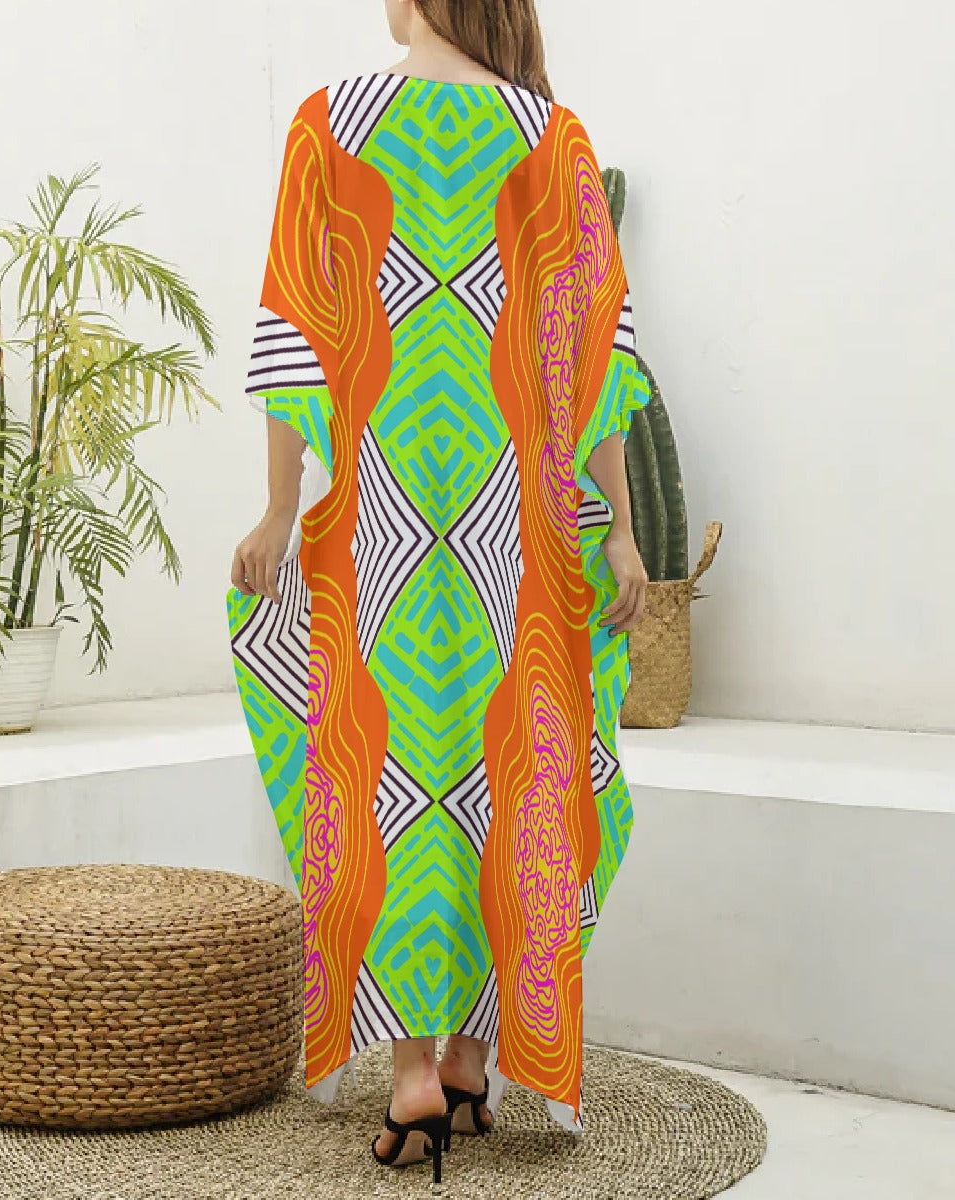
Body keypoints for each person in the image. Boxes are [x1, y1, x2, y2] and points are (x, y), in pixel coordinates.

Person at [227, 0, 650, 1184]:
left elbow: (295, 333)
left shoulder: (329, 125)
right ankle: (468, 1063)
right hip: (518, 533)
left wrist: (278, 508)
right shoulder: (554, 138)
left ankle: (416, 1074)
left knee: (390, 770)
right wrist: (620, 527)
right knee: (506, 770)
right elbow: (599, 351)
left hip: (386, 524)